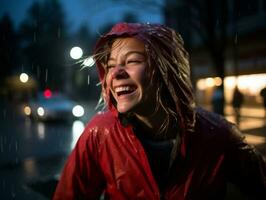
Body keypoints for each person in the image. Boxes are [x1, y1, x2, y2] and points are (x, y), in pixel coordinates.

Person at [53, 23, 266, 200]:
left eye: (133, 61)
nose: (116, 73)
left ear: (168, 72)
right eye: (110, 65)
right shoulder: (99, 134)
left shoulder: (219, 136)